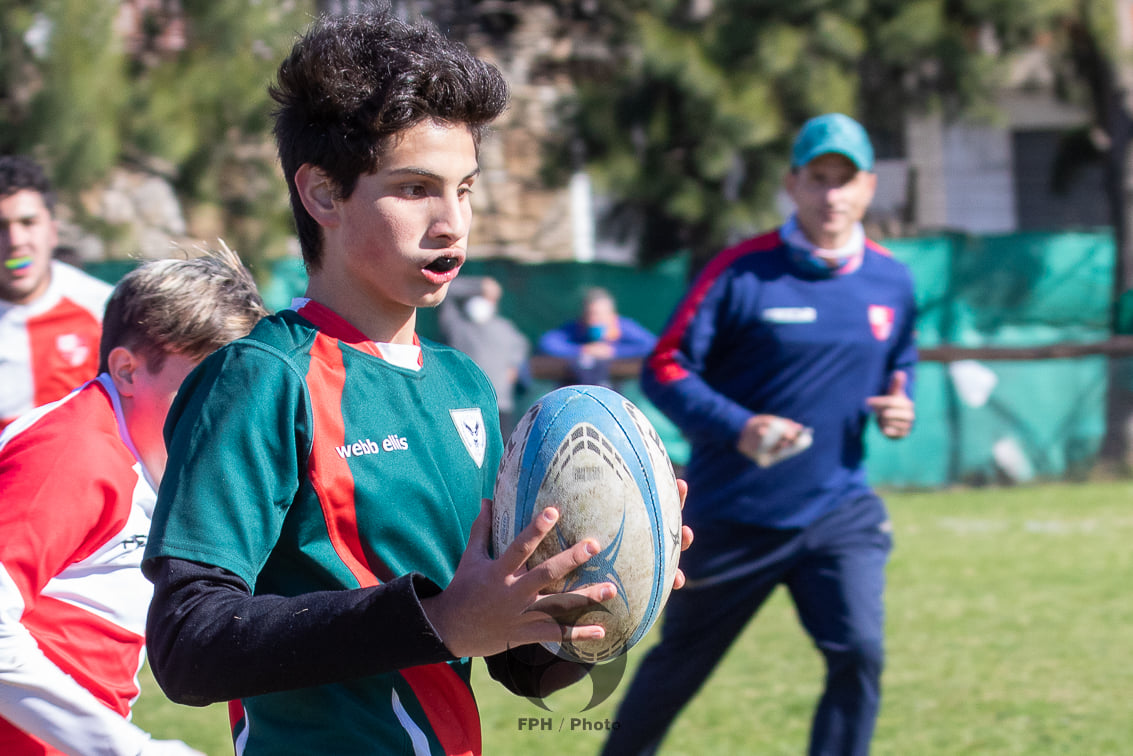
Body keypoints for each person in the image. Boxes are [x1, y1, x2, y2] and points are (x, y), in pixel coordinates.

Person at [140, 9, 691, 756]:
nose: (451, 224)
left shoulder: (463, 384)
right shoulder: (260, 379)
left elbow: (509, 660)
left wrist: (594, 604)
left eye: (463, 189)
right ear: (323, 195)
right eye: (414, 189)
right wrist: (436, 622)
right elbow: (188, 645)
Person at [603, 113, 917, 756]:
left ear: (868, 188)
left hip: (839, 509)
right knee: (676, 669)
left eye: (845, 180)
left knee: (860, 652)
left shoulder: (893, 279)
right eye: (818, 178)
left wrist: (899, 405)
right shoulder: (742, 271)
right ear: (791, 184)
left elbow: (900, 364)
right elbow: (664, 367)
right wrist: (739, 427)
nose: (832, 195)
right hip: (736, 514)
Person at [0, 246, 267, 756]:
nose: (223, 412)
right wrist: (131, 749)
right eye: (202, 386)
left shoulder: (145, 452)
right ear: (126, 371)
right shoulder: (73, 452)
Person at [0, 155, 113, 431]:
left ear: (52, 231)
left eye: (28, 222)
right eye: (0, 227)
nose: (15, 241)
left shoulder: (106, 309)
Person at [438, 274, 530, 438]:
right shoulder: (457, 327)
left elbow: (522, 345)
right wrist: (479, 286)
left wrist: (515, 365)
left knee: (500, 459)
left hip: (499, 405)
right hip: (463, 404)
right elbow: (448, 291)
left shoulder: (503, 327)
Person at [536, 286, 655, 388]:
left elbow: (651, 345)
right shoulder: (575, 328)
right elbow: (546, 343)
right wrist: (583, 350)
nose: (595, 319)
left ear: (611, 314)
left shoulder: (624, 326)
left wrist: (613, 351)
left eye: (600, 314)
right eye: (591, 314)